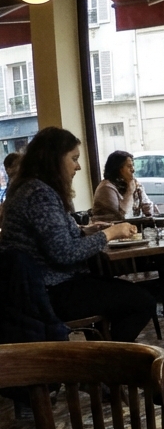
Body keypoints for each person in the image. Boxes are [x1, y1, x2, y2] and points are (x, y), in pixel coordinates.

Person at [0, 127, 154, 341]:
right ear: (53, 160)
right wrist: (110, 233)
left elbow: (51, 236)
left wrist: (86, 230)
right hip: (48, 293)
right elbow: (64, 253)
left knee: (121, 291)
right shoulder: (38, 194)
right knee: (142, 301)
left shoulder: (30, 188)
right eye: (73, 158)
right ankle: (108, 362)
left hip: (38, 288)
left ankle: (102, 353)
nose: (78, 166)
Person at [92, 150, 154, 221]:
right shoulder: (106, 188)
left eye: (133, 166)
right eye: (129, 166)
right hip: (109, 229)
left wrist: (140, 194)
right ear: (118, 169)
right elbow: (121, 217)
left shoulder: (131, 183)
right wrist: (130, 191)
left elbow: (149, 210)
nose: (133, 170)